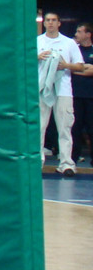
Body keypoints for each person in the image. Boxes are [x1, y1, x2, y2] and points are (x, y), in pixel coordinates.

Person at [37, 12, 87, 176]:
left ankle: (66, 163)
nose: (50, 23)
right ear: (44, 23)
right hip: (42, 89)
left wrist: (65, 65)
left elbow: (80, 66)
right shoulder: (37, 42)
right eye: (48, 20)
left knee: (65, 127)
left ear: (59, 23)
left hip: (63, 90)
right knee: (40, 126)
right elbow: (24, 62)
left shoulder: (68, 43)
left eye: (54, 20)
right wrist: (38, 57)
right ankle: (38, 162)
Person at [71, 23, 93, 164]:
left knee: (92, 128)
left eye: (79, 31)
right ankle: (73, 157)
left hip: (91, 96)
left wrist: (78, 68)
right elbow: (68, 68)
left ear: (88, 34)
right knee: (75, 128)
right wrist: (86, 68)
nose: (76, 34)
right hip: (75, 95)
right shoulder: (74, 50)